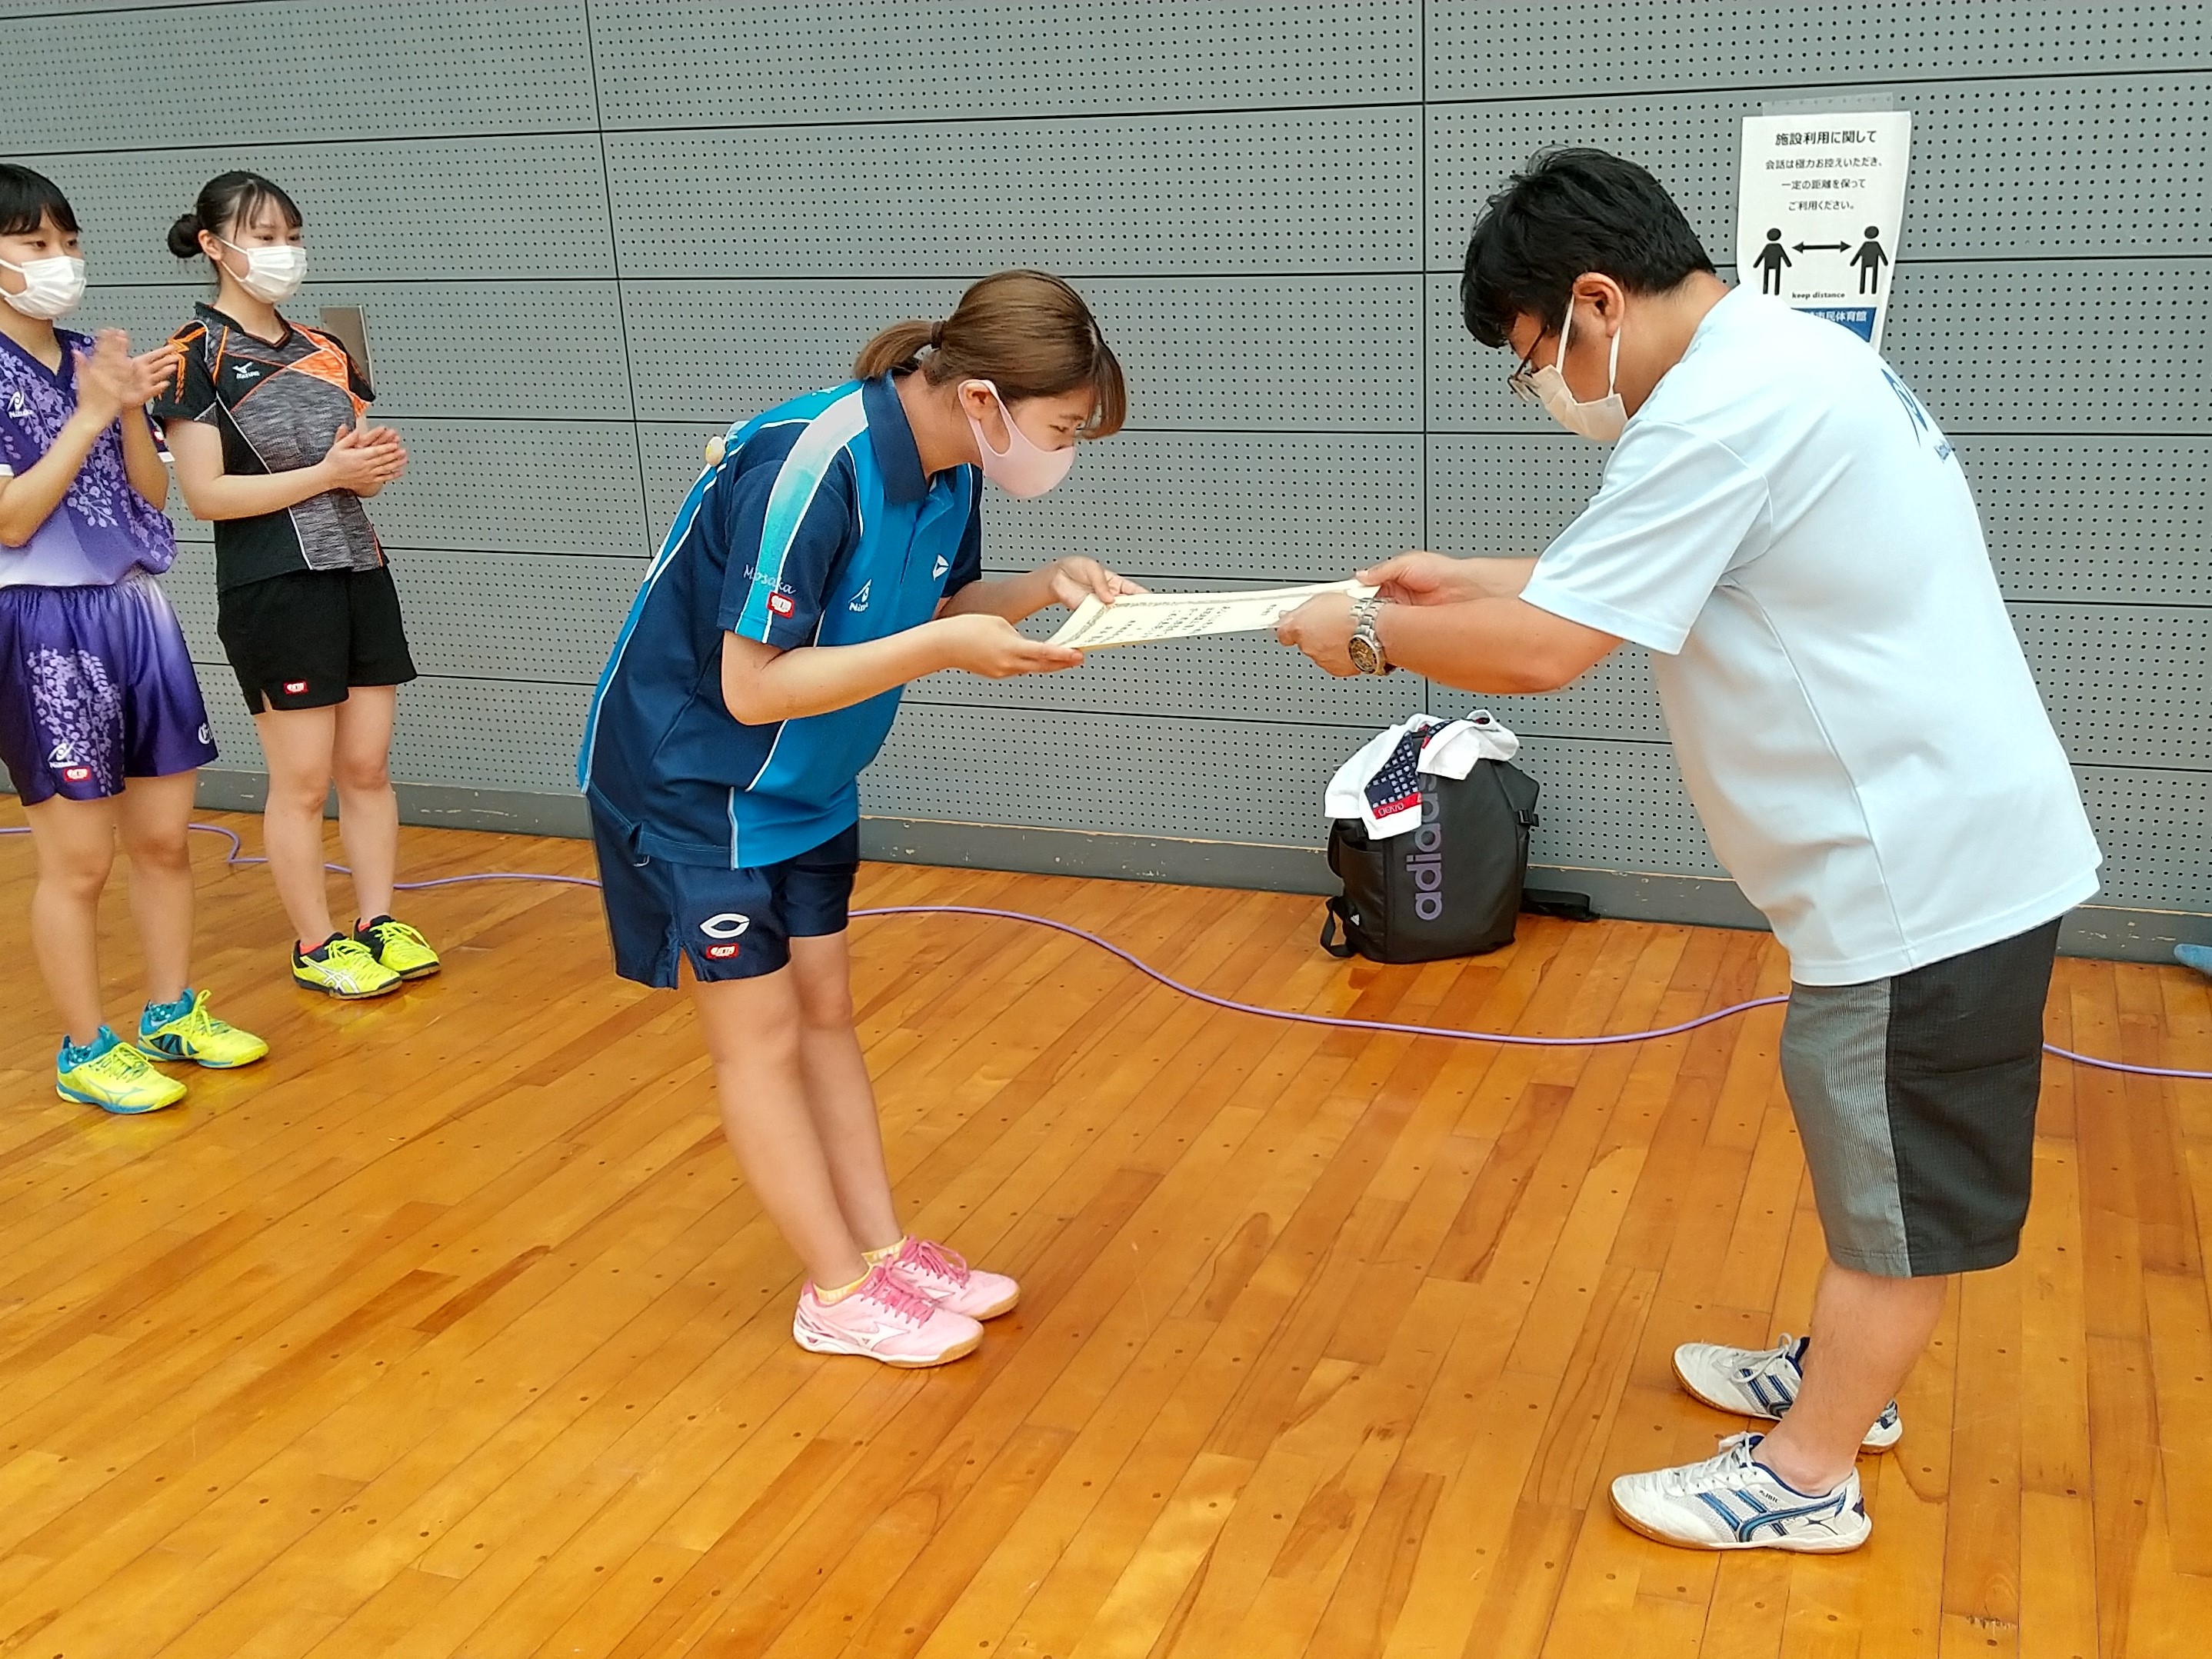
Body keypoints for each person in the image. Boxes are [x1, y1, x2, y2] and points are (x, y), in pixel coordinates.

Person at [1278, 149, 2100, 1552]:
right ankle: (1837, 1376)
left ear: (1596, 301)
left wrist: (1363, 634)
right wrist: (1451, 578)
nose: (1544, 387)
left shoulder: (1714, 410)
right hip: (1928, 850)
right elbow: (1647, 570)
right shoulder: (1777, 362)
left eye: (1533, 354)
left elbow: (1549, 651)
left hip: (1924, 874)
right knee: (1868, 1142)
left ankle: (1806, 1474)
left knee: (1895, 1179)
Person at [581, 270, 1136, 1368]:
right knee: (761, 1039)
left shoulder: (951, 465)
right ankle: (834, 1290)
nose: (1066, 451)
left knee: (827, 1009)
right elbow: (752, 686)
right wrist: (943, 651)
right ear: (984, 398)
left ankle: (881, 1251)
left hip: (809, 780)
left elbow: (935, 605)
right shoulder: (813, 461)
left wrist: (1033, 587)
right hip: (699, 782)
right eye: (1064, 428)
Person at [0, 163, 267, 1113]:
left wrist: (121, 414)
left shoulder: (89, 355)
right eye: (34, 244)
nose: (59, 262)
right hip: (39, 625)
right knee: (79, 859)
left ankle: (170, 1010)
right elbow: (14, 520)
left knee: (164, 839)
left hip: (133, 612)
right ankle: (83, 1049)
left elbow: (150, 498)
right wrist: (89, 413)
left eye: (67, 244)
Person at [153, 172, 438, 1001]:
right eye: (262, 235)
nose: (282, 251)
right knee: (304, 779)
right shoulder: (191, 359)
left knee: (368, 767)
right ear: (212, 245)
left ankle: (377, 920)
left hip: (359, 569)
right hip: (274, 583)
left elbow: (350, 471)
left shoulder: (327, 346)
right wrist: (327, 473)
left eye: (290, 234)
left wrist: (367, 470)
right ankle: (315, 942)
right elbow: (207, 497)